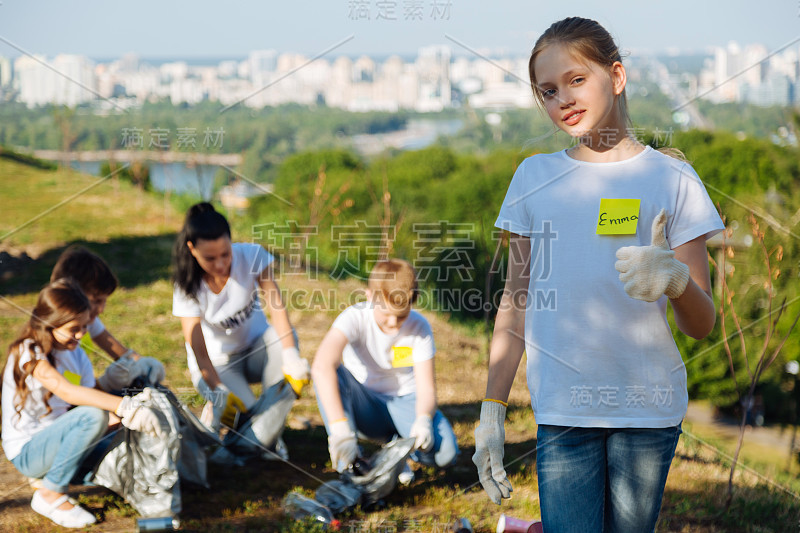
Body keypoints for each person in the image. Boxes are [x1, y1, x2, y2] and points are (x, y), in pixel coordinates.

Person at [471, 17, 724, 533]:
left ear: (618, 75)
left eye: (576, 80)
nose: (562, 98)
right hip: (563, 411)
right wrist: (493, 409)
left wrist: (675, 282)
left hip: (647, 413)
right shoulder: (533, 177)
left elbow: (702, 325)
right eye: (547, 90)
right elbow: (515, 304)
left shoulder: (673, 178)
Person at [1, 279, 167, 528]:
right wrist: (124, 406)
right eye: (73, 329)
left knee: (121, 450)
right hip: (29, 452)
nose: (81, 335)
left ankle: (66, 475)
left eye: (84, 327)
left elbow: (89, 393)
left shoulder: (76, 353)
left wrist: (115, 387)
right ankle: (50, 493)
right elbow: (67, 391)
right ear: (50, 323)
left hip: (64, 439)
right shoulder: (28, 351)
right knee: (94, 417)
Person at [171, 202, 308, 455]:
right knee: (248, 419)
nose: (221, 264)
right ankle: (228, 414)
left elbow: (276, 308)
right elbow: (197, 347)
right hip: (218, 364)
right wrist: (216, 387)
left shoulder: (252, 256)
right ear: (192, 249)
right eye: (210, 258)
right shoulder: (186, 285)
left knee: (282, 342)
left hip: (257, 350)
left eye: (226, 254)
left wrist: (291, 355)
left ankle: (272, 424)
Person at [312, 259, 459, 482]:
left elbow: (427, 388)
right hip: (364, 404)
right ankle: (350, 462)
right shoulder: (354, 318)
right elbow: (321, 365)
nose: (393, 323)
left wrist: (423, 420)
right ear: (369, 296)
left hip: (405, 402)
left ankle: (397, 456)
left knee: (446, 454)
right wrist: (339, 427)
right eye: (386, 313)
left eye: (401, 315)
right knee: (329, 374)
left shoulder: (420, 327)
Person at [50, 245, 166, 391]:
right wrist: (106, 383)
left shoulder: (86, 321)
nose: (101, 310)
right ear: (72, 295)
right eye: (96, 301)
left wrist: (143, 364)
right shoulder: (49, 341)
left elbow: (122, 353)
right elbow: (73, 398)